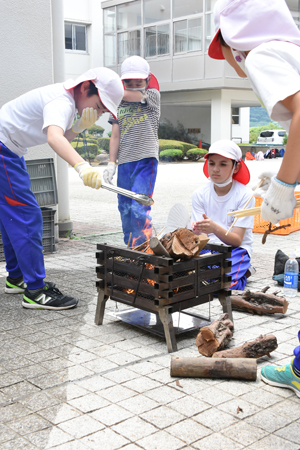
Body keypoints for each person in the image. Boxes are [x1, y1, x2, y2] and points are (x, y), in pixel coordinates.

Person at [208, 0, 300, 396]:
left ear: (234, 40)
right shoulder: (290, 48)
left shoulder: (262, 55)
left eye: (224, 51)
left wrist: (284, 184)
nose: (228, 61)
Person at [0, 67, 124, 310]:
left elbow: (62, 135)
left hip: (9, 151)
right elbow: (54, 138)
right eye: (99, 105)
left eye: (102, 111)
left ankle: (17, 279)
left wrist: (78, 127)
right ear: (85, 87)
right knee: (27, 216)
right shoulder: (62, 101)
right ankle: (35, 291)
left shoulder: (67, 101)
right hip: (3, 151)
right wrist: (82, 167)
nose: (98, 114)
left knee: (12, 215)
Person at [103, 55, 160, 246]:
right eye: (128, 81)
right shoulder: (117, 105)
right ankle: (131, 247)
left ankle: (144, 248)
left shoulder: (151, 96)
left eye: (139, 81)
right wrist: (111, 163)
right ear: (122, 81)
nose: (134, 85)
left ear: (147, 80)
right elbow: (115, 135)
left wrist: (105, 90)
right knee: (124, 207)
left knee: (139, 206)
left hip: (146, 159)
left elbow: (131, 95)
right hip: (125, 161)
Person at [190, 140, 255, 291]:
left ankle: (243, 272)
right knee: (188, 279)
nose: (215, 169)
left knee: (224, 286)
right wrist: (196, 232)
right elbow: (199, 238)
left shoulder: (246, 195)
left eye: (223, 164)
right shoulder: (200, 194)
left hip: (235, 251)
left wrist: (214, 228)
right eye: (211, 163)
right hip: (208, 248)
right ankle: (238, 271)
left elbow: (237, 241)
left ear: (236, 166)